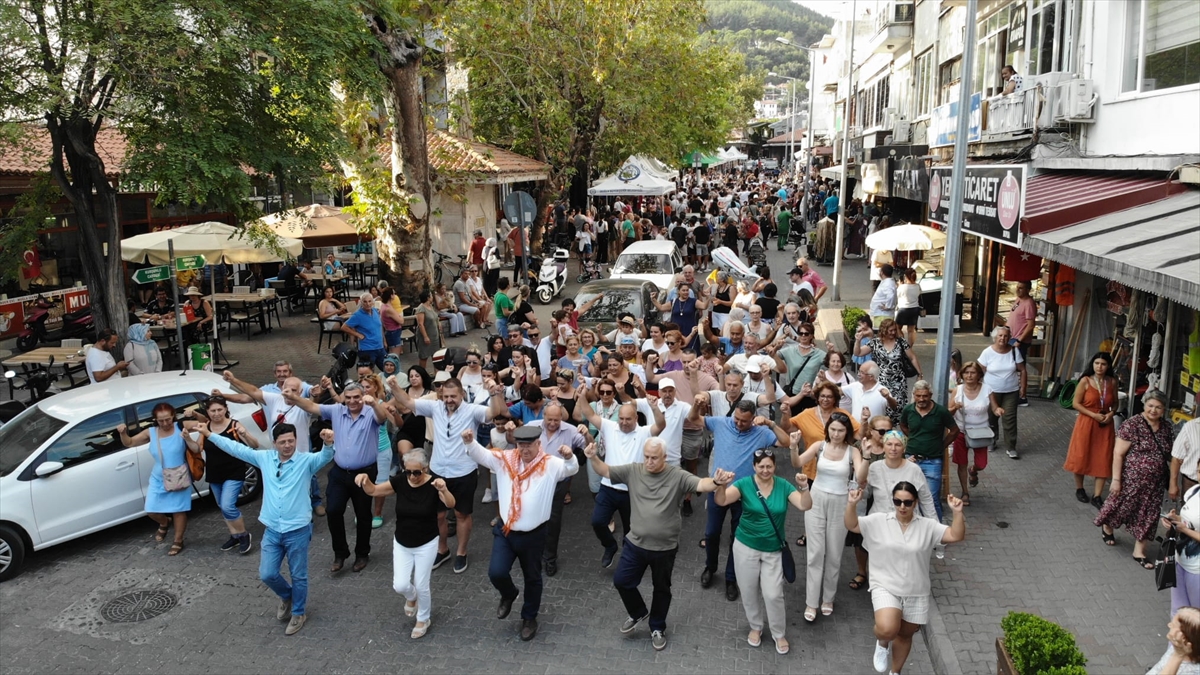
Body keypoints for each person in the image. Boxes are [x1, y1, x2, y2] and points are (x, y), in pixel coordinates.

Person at [585, 437, 727, 652]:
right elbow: (605, 470)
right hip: (635, 543)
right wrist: (593, 457)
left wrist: (716, 482)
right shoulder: (633, 471)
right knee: (622, 581)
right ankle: (638, 612)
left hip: (665, 548)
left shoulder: (677, 475)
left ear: (665, 457)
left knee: (661, 588)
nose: (649, 462)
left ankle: (657, 627)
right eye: (646, 457)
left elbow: (701, 484)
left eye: (654, 458)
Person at [200, 422, 336, 635]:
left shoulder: (306, 461)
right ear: (274, 443)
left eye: (291, 441)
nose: (287, 445)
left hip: (298, 530)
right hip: (272, 529)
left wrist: (328, 443)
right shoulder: (264, 458)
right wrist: (209, 434)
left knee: (299, 575)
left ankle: (298, 613)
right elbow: (236, 448)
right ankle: (287, 596)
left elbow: (325, 457)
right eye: (282, 442)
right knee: (267, 574)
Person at [462, 425, 578, 641]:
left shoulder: (550, 464)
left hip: (534, 535)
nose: (524, 450)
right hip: (506, 531)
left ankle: (529, 618)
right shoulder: (505, 460)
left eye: (529, 445)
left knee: (532, 578)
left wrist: (570, 456)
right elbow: (482, 455)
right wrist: (469, 442)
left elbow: (571, 469)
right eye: (521, 445)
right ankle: (509, 594)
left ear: (538, 444)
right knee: (496, 572)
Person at [846, 483, 965, 675]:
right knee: (887, 628)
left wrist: (957, 513)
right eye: (897, 501)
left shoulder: (927, 526)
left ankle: (895, 672)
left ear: (915, 503)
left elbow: (955, 535)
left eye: (907, 502)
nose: (902, 506)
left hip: (916, 590)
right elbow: (852, 525)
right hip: (885, 585)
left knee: (905, 634)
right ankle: (882, 641)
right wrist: (851, 504)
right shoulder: (879, 521)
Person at [390, 376, 499, 575]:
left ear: (462, 394)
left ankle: (461, 552)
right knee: (438, 515)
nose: (449, 400)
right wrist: (394, 386)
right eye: (446, 396)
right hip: (437, 472)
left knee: (461, 514)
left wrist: (494, 394)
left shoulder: (472, 410)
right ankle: (443, 550)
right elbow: (407, 402)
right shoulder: (435, 407)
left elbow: (494, 412)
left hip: (464, 472)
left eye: (453, 396)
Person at [688, 399, 791, 602]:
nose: (739, 423)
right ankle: (710, 567)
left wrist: (771, 423)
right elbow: (694, 419)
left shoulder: (762, 432)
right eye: (737, 418)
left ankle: (731, 577)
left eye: (744, 421)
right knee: (711, 533)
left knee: (737, 537)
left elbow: (786, 442)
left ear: (753, 418)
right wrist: (697, 406)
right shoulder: (721, 422)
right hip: (718, 488)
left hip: (744, 494)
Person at [284, 382, 390, 573]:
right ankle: (340, 553)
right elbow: (312, 406)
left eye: (356, 397)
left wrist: (374, 403)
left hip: (364, 473)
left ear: (363, 396)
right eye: (348, 398)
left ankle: (362, 553)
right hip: (339, 472)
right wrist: (294, 397)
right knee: (333, 510)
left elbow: (382, 418)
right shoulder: (336, 410)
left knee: (363, 515)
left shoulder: (371, 412)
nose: (352, 401)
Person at [714, 449, 812, 654]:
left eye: (769, 466)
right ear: (754, 466)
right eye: (761, 466)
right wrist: (721, 485)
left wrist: (804, 488)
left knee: (774, 594)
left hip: (773, 550)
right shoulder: (744, 484)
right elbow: (721, 501)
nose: (765, 470)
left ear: (775, 466)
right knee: (748, 591)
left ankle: (778, 633)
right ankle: (755, 626)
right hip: (745, 546)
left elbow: (804, 506)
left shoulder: (783, 485)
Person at [356, 450, 454, 639]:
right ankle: (411, 596)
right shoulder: (401, 481)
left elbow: (450, 504)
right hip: (402, 542)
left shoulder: (435, 483)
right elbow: (374, 490)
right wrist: (364, 479)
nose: (412, 476)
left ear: (425, 469)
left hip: (426, 542)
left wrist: (443, 490)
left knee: (421, 584)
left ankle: (423, 619)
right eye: (408, 472)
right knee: (400, 585)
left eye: (416, 472)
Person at [577, 386, 666, 569]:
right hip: (608, 486)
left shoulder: (644, 432)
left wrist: (655, 408)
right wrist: (581, 396)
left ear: (636, 418)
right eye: (621, 419)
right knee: (597, 522)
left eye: (628, 419)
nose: (624, 423)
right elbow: (589, 413)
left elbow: (661, 425)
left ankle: (628, 558)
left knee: (630, 530)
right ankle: (610, 546)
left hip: (632, 491)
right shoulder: (610, 427)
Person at [791, 412, 867, 621]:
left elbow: (861, 477)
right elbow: (797, 462)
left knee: (834, 553)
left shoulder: (853, 451)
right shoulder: (819, 446)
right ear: (827, 430)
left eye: (840, 430)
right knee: (815, 553)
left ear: (847, 432)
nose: (836, 434)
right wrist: (793, 446)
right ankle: (811, 602)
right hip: (816, 500)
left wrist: (867, 457)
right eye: (832, 429)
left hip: (840, 502)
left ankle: (828, 598)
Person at [221, 370, 323, 517]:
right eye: (287, 389)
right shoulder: (275, 399)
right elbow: (254, 391)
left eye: (294, 390)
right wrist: (233, 380)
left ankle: (312, 507)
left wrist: (316, 395)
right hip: (279, 455)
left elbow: (313, 404)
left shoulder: (303, 404)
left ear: (301, 392)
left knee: (306, 485)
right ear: (282, 389)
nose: (290, 393)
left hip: (300, 456)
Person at [1096, 390, 1175, 568]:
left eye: (1158, 407)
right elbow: (1118, 453)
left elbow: (1170, 454)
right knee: (1120, 507)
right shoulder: (1132, 424)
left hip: (1155, 483)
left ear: (1164, 409)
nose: (1153, 410)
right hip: (1131, 479)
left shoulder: (1166, 427)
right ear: (1144, 405)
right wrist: (1116, 480)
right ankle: (1107, 526)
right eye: (1150, 406)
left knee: (1149, 514)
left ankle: (1140, 551)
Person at [117, 402, 197, 556]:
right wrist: (123, 433)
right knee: (151, 510)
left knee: (179, 510)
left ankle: (178, 540)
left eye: (168, 419)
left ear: (173, 416)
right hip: (158, 477)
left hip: (179, 476)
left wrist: (195, 414)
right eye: (161, 420)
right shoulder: (151, 432)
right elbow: (130, 442)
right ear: (155, 420)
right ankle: (164, 522)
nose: (165, 423)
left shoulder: (181, 426)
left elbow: (205, 424)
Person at [525, 400, 590, 576]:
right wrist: (509, 431)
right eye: (550, 419)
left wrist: (587, 435)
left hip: (558, 484)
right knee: (531, 519)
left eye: (557, 420)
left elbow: (590, 448)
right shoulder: (531, 427)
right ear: (543, 416)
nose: (553, 423)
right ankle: (532, 555)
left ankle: (550, 558)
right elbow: (513, 441)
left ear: (561, 417)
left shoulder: (570, 430)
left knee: (553, 522)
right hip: (533, 482)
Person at [194, 395, 257, 553]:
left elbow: (254, 445)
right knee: (222, 506)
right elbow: (198, 448)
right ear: (207, 412)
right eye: (213, 411)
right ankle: (234, 535)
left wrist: (245, 434)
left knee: (228, 506)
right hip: (214, 473)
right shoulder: (206, 427)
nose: (216, 413)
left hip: (234, 471)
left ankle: (243, 535)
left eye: (219, 410)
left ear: (225, 409)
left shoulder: (234, 425)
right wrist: (188, 438)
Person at [1064, 352, 1118, 508]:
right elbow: (1076, 403)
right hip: (1087, 422)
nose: (1099, 367)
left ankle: (1097, 495)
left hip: (1105, 424)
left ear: (1108, 366)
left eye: (1103, 364)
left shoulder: (1112, 382)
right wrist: (1093, 415)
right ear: (1092, 364)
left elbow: (1115, 403)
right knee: (1081, 454)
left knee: (1103, 456)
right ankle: (1080, 489)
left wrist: (1111, 413)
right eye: (1097, 363)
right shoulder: (1085, 381)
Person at [899, 380, 958, 522]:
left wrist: (942, 445)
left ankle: (937, 529)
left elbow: (954, 430)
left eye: (925, 396)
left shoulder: (941, 411)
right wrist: (913, 438)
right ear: (914, 395)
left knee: (932, 499)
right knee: (909, 496)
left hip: (933, 461)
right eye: (918, 396)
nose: (921, 399)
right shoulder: (908, 410)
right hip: (911, 459)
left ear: (930, 395)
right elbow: (903, 425)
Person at [855, 318, 921, 422]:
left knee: (898, 409)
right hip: (882, 381)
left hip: (898, 383)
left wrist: (919, 374)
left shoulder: (901, 342)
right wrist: (858, 341)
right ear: (884, 330)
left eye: (894, 330)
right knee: (883, 408)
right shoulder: (875, 342)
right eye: (890, 330)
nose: (893, 332)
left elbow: (912, 357)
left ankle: (896, 428)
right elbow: (858, 353)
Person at [948, 362, 994, 506]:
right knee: (961, 463)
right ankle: (965, 492)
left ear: (979, 375)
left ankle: (973, 470)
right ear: (961, 374)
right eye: (966, 372)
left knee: (982, 464)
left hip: (981, 432)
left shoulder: (987, 389)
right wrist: (955, 407)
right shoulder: (958, 390)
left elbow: (995, 407)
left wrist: (998, 410)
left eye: (973, 372)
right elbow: (948, 413)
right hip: (961, 431)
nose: (969, 375)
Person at [978, 325, 1026, 459]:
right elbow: (979, 371)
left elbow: (1022, 370)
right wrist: (975, 388)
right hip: (991, 392)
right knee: (991, 417)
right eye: (1000, 335)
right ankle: (991, 440)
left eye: (1006, 336)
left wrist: (1023, 387)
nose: (1003, 338)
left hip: (1011, 391)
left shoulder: (1014, 351)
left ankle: (1011, 447)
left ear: (1009, 338)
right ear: (995, 337)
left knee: (1009, 418)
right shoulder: (987, 352)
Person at [1164, 486, 1200, 618]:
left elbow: (1187, 528)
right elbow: (1189, 521)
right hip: (1180, 561)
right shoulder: (1194, 490)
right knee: (1178, 612)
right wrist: (1174, 519)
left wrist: (1185, 530)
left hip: (1197, 570)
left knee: (1195, 616)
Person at [1145, 606, 1200, 675]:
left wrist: (1178, 655)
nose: (1169, 625)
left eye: (1173, 625)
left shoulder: (1193, 672)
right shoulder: (1178, 646)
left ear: (1184, 639)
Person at [342, 292, 387, 371]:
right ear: (361, 302)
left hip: (380, 348)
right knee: (367, 373)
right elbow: (344, 327)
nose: (368, 304)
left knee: (387, 370)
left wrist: (384, 341)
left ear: (373, 302)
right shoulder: (357, 315)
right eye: (365, 302)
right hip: (367, 349)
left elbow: (380, 327)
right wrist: (357, 334)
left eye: (369, 301)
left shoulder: (375, 311)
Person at [1173, 418, 1200, 502]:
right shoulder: (1191, 426)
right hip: (1191, 484)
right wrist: (1173, 484)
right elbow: (1176, 457)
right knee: (1189, 510)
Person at [414, 289, 442, 370]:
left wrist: (438, 323)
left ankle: (437, 374)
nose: (432, 297)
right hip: (426, 336)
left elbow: (434, 316)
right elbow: (420, 324)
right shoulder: (421, 309)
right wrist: (425, 337)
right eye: (431, 295)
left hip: (434, 336)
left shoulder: (430, 306)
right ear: (427, 297)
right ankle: (422, 373)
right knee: (424, 356)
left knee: (436, 356)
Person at [894, 269, 921, 346]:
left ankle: (902, 344)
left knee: (897, 328)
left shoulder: (902, 287)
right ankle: (909, 348)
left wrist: (899, 285)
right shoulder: (918, 286)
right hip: (914, 309)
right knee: (911, 330)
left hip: (903, 309)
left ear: (906, 277)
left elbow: (897, 295)